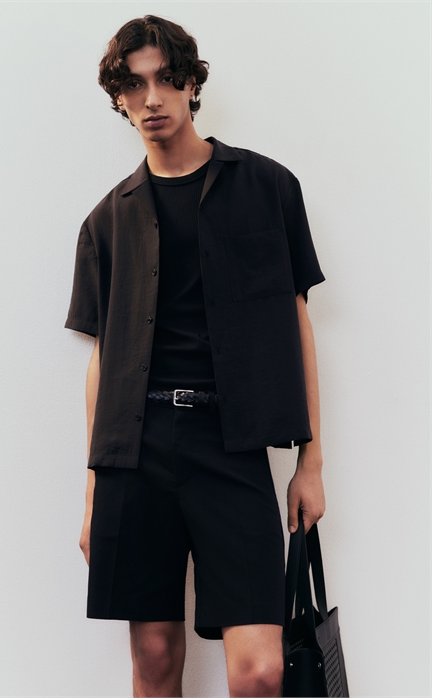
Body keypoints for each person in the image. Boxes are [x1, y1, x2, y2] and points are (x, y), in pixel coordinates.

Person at [64, 14, 326, 698]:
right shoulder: (105, 221)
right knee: (153, 660)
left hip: (230, 448)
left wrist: (311, 462)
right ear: (119, 98)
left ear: (189, 84)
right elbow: (102, 359)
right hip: (136, 456)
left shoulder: (268, 187)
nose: (151, 98)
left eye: (164, 80)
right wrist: (93, 494)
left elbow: (297, 322)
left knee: (261, 671)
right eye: (133, 85)